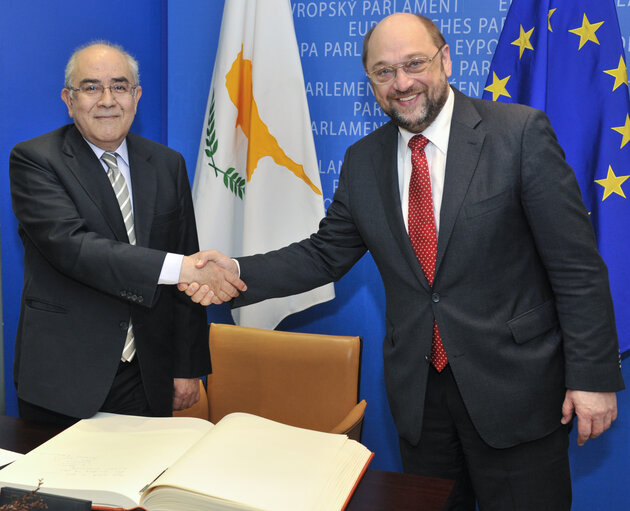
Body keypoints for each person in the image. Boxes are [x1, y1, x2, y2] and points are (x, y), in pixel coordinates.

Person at [182, 13, 624, 510]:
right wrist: (237, 272)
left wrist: (591, 378)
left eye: (414, 63)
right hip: (421, 401)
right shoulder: (363, 161)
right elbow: (324, 254)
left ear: (446, 60)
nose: (402, 83)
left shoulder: (518, 134)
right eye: (383, 72)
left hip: (517, 391)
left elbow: (577, 267)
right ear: (370, 81)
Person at [9, 41, 246, 428]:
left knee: (142, 485)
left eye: (119, 86)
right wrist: (183, 269)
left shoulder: (167, 164)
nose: (107, 100)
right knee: (61, 489)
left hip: (147, 372)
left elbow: (186, 255)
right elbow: (75, 248)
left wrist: (186, 367)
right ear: (69, 100)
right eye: (91, 87)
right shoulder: (36, 160)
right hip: (65, 376)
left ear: (136, 96)